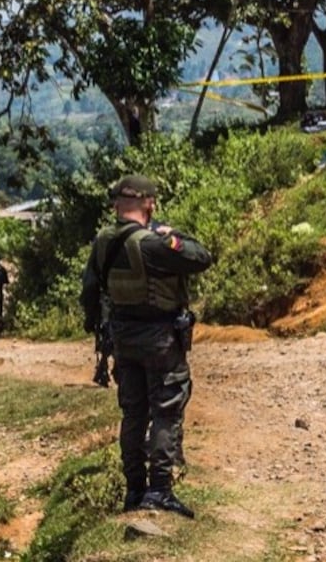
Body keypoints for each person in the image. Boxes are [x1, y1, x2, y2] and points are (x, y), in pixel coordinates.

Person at [80, 174, 213, 518]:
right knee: (166, 410)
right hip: (160, 339)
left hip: (123, 339)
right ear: (149, 203)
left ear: (116, 205)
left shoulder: (103, 243)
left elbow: (89, 294)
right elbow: (201, 257)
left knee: (134, 413)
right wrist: (175, 237)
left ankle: (134, 490)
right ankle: (159, 490)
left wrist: (97, 328)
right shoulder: (153, 244)